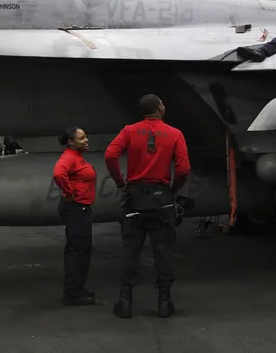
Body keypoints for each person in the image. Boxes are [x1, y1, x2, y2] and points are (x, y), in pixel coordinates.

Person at [104, 94, 191, 319]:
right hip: (161, 199)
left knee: (131, 250)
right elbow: (183, 169)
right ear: (159, 108)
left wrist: (120, 183)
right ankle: (164, 302)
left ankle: (125, 301)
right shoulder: (175, 134)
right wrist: (173, 189)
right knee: (164, 251)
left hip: (134, 197)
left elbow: (110, 155)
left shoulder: (129, 131)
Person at [52, 127, 97, 306]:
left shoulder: (76, 157)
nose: (86, 140)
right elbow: (58, 173)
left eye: (86, 136)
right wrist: (70, 192)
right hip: (76, 209)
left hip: (79, 209)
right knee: (78, 251)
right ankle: (73, 294)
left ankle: (76, 289)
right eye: (82, 138)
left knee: (79, 250)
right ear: (71, 142)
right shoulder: (69, 158)